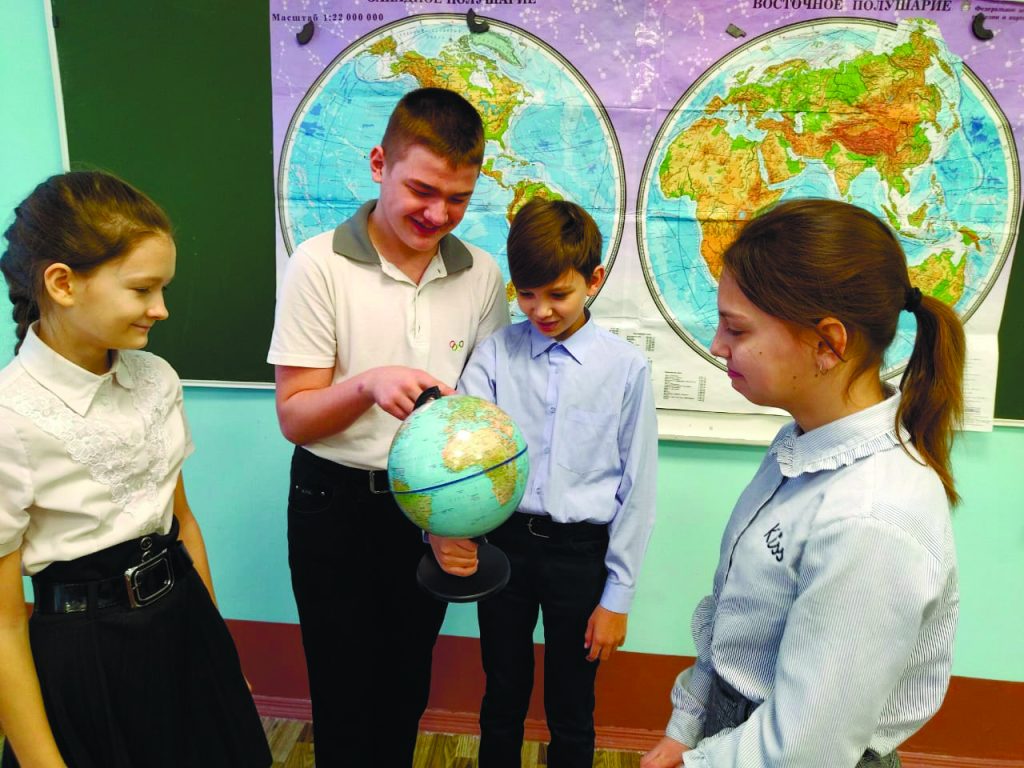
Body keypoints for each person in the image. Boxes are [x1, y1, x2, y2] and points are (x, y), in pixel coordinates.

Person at [641, 198, 964, 768]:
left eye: (736, 328)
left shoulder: (871, 519)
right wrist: (686, 727)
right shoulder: (800, 445)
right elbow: (733, 619)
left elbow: (804, 748)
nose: (717, 346)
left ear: (827, 343)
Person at [267, 86, 509, 766]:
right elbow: (294, 416)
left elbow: (478, 412)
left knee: (406, 686)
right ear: (379, 164)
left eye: (458, 199)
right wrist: (369, 384)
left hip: (430, 507)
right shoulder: (318, 263)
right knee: (343, 692)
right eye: (422, 191)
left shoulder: (481, 274)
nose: (438, 214)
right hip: (333, 502)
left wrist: (456, 518)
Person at [0, 171, 271, 767]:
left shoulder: (156, 378)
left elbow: (183, 523)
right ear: (63, 283)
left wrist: (220, 655)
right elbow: (3, 624)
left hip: (185, 624)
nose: (161, 309)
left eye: (164, 288)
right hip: (90, 660)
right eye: (143, 289)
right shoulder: (10, 420)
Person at [456, 198, 658, 768]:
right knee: (502, 693)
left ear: (593, 280)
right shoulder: (495, 355)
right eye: (526, 294)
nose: (540, 310)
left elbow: (638, 489)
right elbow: (464, 455)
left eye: (558, 294)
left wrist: (617, 596)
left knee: (572, 705)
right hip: (504, 547)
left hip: (580, 556)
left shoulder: (625, 368)